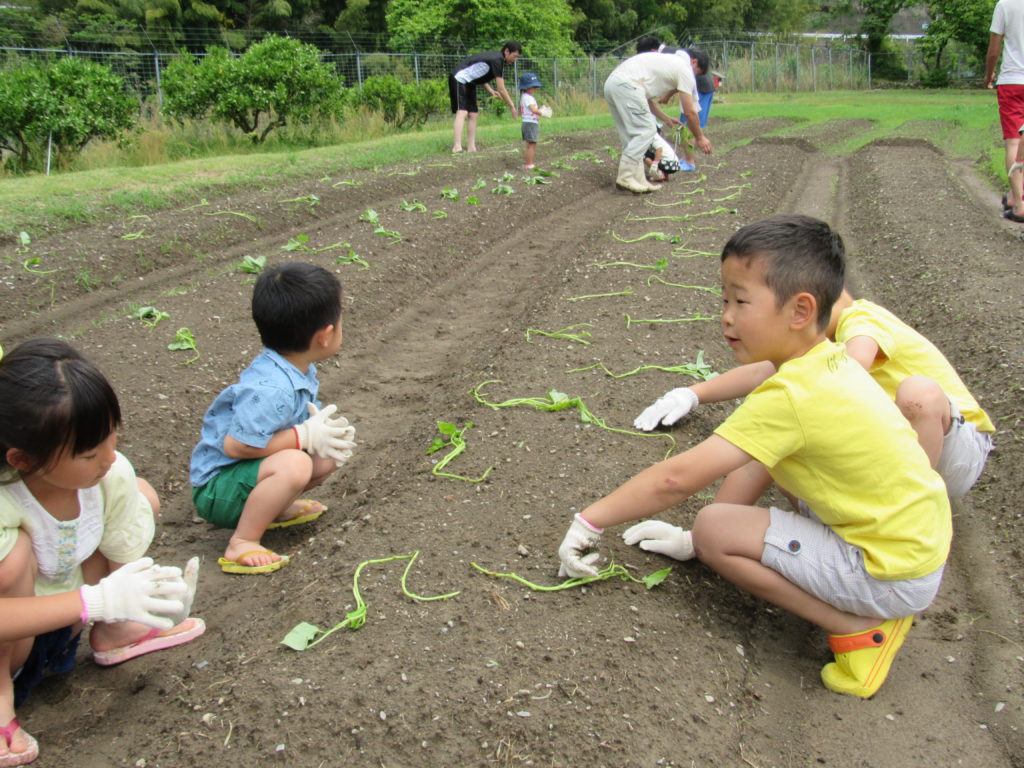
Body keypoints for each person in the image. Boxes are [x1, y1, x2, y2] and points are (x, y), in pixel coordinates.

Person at [558, 215, 951, 699]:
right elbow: (756, 459)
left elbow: (675, 480)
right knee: (760, 467)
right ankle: (859, 601)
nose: (725, 315)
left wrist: (590, 522)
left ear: (801, 310)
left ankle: (864, 629)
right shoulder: (826, 363)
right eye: (724, 299)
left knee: (714, 529)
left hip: (889, 572)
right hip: (913, 547)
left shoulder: (793, 396)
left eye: (740, 301)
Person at [0, 338, 204, 766]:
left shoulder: (108, 474)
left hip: (61, 625)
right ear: (21, 459)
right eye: (90, 452)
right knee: (13, 557)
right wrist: (95, 600)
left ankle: (116, 632)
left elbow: (123, 548)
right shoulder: (6, 503)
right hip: (12, 640)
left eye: (114, 437)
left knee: (138, 495)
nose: (110, 458)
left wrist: (137, 601)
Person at [634, 288, 994, 499]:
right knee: (787, 433)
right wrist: (691, 394)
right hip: (895, 447)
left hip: (956, 448)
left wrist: (786, 409)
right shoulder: (817, 344)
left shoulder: (862, 319)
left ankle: (913, 510)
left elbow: (850, 370)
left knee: (917, 393)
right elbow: (766, 371)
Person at [189, 262, 356, 575]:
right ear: (325, 335)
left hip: (245, 475)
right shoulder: (272, 389)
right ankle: (242, 541)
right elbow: (237, 446)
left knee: (325, 456)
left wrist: (319, 434)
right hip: (217, 487)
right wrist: (303, 437)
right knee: (298, 463)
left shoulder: (294, 369)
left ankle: (274, 509)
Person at [604, 51, 713, 194]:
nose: (694, 78)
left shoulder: (668, 62)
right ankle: (626, 177)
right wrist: (700, 137)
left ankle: (637, 179)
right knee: (647, 130)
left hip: (613, 84)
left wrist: (666, 118)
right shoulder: (684, 69)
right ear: (694, 62)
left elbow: (645, 99)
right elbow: (690, 112)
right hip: (627, 86)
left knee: (630, 135)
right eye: (697, 73)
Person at [984, 0, 1024, 219]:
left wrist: (989, 74)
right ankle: (1012, 195)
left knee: (1014, 141)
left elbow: (994, 50)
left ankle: (1019, 203)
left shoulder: (1005, 5)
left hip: (1013, 81)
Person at [449, 41, 522, 154]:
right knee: (462, 111)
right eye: (515, 56)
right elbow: (501, 88)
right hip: (459, 78)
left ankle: (471, 148)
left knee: (473, 114)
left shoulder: (498, 60)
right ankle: (456, 147)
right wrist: (512, 106)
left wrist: (491, 91)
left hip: (470, 82)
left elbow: (479, 75)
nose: (515, 60)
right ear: (507, 51)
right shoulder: (497, 60)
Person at [518, 72, 545, 170]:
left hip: (528, 123)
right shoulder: (528, 98)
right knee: (532, 144)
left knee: (531, 144)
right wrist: (542, 112)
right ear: (527, 87)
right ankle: (529, 164)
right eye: (533, 87)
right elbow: (533, 110)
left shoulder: (524, 97)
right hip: (530, 124)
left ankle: (529, 163)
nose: (534, 89)